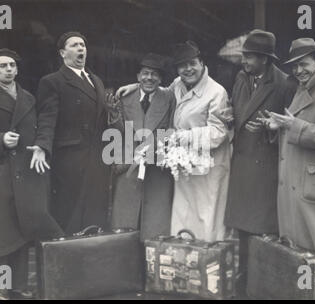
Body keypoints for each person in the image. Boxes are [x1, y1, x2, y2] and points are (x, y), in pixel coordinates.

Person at [0, 48, 64, 300]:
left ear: (17, 70)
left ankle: (17, 285)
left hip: (27, 174)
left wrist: (41, 146)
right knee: (1, 234)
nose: (8, 69)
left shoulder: (28, 98)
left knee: (22, 232)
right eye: (3, 66)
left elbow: (42, 127)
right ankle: (0, 287)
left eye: (12, 66)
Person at [258, 38, 315, 299]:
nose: (299, 71)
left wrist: (293, 126)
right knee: (301, 251)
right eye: (295, 66)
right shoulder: (302, 89)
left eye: (304, 64)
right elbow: (294, 127)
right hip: (297, 184)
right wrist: (276, 128)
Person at [118, 41, 232, 242]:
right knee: (182, 219)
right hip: (183, 165)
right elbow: (156, 91)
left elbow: (218, 132)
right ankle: (183, 266)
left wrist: (182, 137)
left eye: (192, 64)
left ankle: (208, 265)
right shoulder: (178, 85)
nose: (187, 69)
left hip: (208, 167)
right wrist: (135, 87)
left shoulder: (216, 92)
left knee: (206, 220)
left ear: (202, 63)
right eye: (182, 66)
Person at [224, 29, 296, 297]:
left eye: (250, 57)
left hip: (263, 166)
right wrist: (230, 116)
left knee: (262, 228)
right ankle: (243, 283)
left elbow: (290, 126)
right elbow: (238, 109)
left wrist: (270, 129)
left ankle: (259, 284)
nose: (244, 61)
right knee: (242, 230)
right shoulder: (242, 77)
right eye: (244, 56)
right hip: (242, 162)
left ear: (265, 59)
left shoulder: (284, 84)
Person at [36, 32, 113, 234]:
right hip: (70, 160)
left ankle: (93, 252)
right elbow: (47, 117)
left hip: (96, 158)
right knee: (70, 212)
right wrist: (42, 145)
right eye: (74, 45)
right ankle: (69, 256)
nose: (81, 48)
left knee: (95, 210)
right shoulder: (53, 81)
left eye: (83, 45)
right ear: (63, 53)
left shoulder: (95, 80)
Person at [111, 53, 176, 241]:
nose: (149, 78)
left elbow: (171, 128)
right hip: (128, 166)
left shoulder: (169, 97)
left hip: (157, 168)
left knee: (156, 225)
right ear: (138, 76)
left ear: (161, 79)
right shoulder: (124, 97)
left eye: (155, 74)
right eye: (145, 73)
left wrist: (158, 153)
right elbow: (118, 132)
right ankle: (125, 263)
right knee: (125, 223)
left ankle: (151, 265)